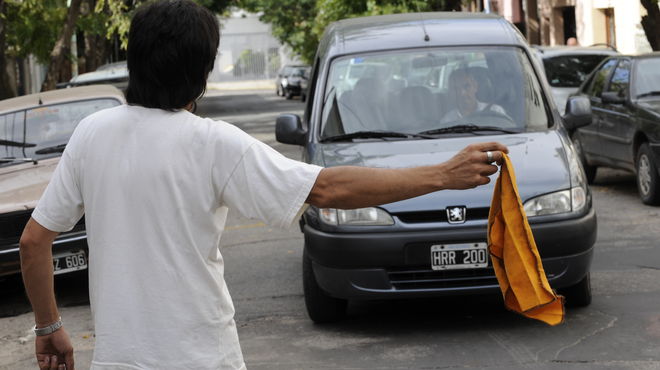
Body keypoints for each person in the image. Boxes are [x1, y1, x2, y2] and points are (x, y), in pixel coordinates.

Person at [18, 1, 508, 369]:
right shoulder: (212, 144)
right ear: (201, 72)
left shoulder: (92, 134)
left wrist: (50, 327)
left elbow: (34, 241)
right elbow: (327, 190)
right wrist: (442, 175)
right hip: (201, 359)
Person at [441, 67, 507, 124]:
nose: (462, 93)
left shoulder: (496, 112)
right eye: (456, 89)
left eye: (466, 86)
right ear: (451, 93)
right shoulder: (447, 121)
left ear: (475, 87)